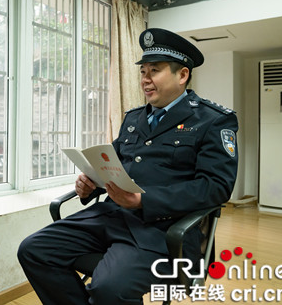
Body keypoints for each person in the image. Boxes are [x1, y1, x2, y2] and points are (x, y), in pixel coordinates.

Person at [17, 28, 239, 305]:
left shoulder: (213, 121)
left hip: (163, 229)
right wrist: (90, 183)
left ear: (182, 75)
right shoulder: (134, 119)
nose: (145, 80)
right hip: (110, 215)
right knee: (34, 250)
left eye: (154, 71)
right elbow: (113, 166)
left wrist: (143, 201)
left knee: (109, 288)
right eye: (142, 72)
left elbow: (216, 187)